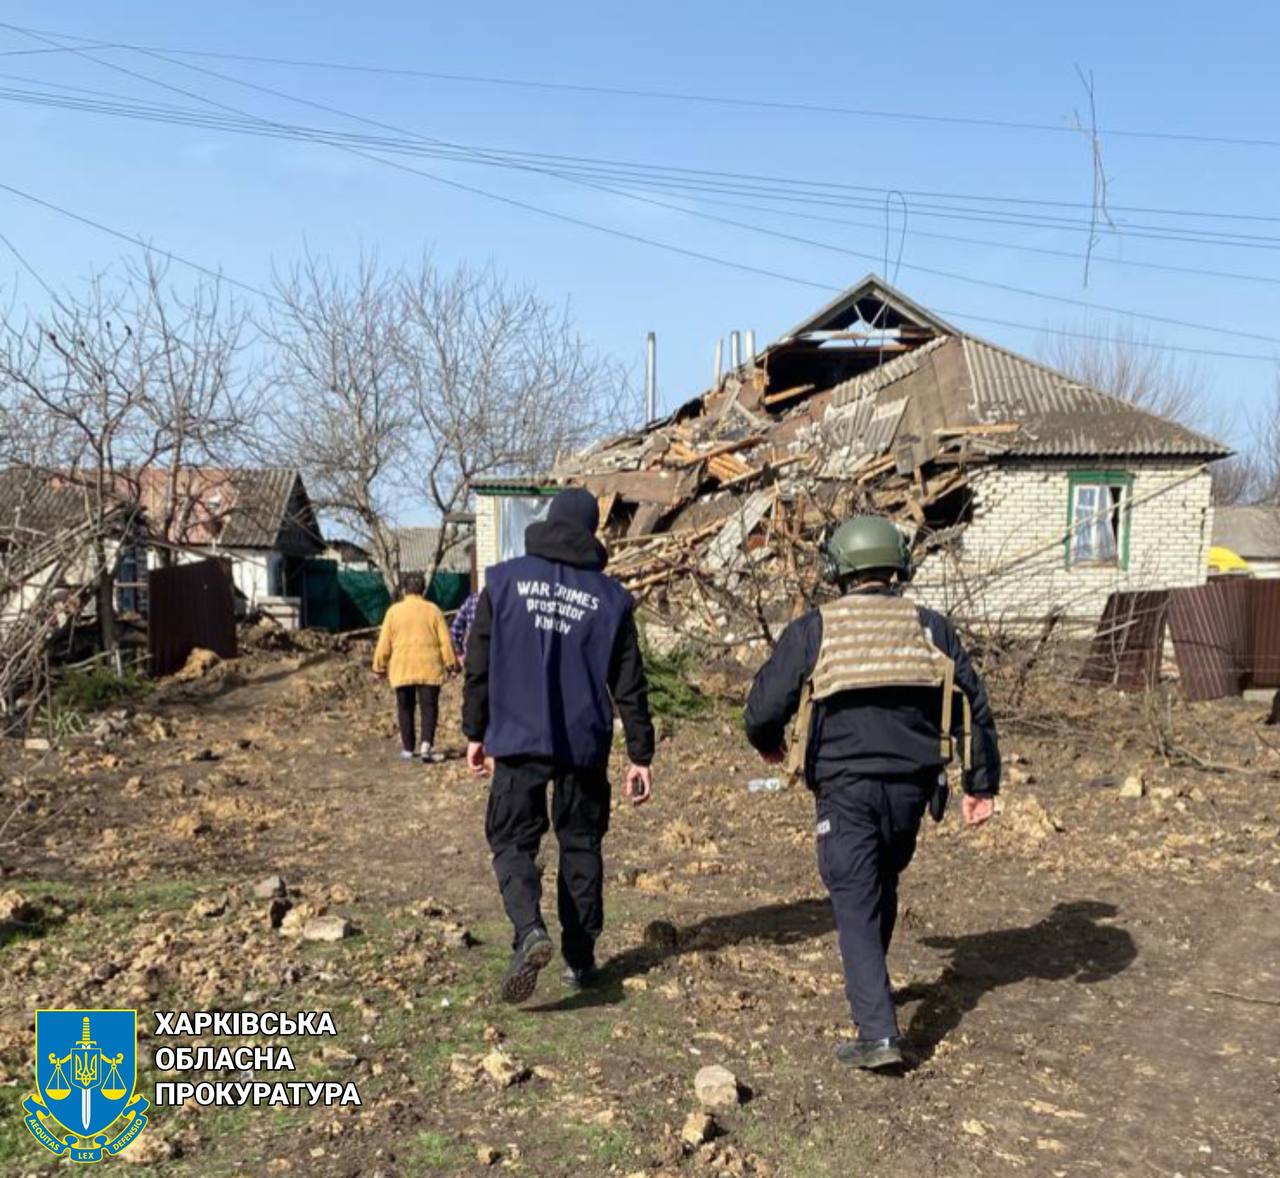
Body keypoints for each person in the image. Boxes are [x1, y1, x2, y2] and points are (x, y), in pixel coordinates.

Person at [744, 515, 1000, 1071]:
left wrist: (767, 744)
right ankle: (874, 989)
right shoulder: (931, 627)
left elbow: (763, 708)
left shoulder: (817, 628)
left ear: (838, 569)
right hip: (914, 788)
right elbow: (975, 706)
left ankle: (878, 1033)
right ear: (897, 566)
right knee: (881, 880)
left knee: (855, 897)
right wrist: (981, 786)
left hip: (846, 788)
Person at [463, 487, 655, 1004]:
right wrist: (640, 754)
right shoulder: (611, 599)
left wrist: (474, 732)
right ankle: (580, 958)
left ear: (549, 521)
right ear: (592, 530)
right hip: (583, 744)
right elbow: (631, 683)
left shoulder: (501, 583)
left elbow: (477, 664)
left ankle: (529, 930)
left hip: (518, 739)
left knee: (511, 841)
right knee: (581, 844)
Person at [372, 572, 458, 763]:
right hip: (429, 667)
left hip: (402, 667)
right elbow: (445, 641)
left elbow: (384, 642)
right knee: (429, 707)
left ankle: (408, 749)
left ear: (404, 589)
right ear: (423, 589)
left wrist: (379, 666)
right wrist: (452, 664)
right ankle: (426, 745)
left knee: (405, 707)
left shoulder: (393, 612)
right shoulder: (433, 610)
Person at [449, 590, 481, 660]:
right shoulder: (503, 600)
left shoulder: (472, 600)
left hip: (472, 655)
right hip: (496, 658)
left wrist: (459, 651)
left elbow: (455, 629)